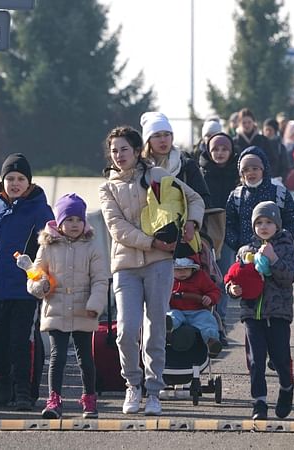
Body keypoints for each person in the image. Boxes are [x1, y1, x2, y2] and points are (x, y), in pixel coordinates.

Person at [99, 125, 205, 416]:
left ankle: (154, 389)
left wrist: (191, 225)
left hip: (160, 263)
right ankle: (133, 384)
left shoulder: (157, 176)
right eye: (114, 151)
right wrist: (152, 242)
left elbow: (195, 199)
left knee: (155, 327)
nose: (119, 155)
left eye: (124, 149)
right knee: (126, 330)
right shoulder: (107, 187)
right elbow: (117, 228)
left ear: (136, 150)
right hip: (126, 266)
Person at [0, 153, 54, 411]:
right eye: (10, 178)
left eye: (20, 179)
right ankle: (3, 378)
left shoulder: (41, 210)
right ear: (2, 181)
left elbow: (49, 250)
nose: (14, 183)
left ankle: (23, 391)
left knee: (21, 343)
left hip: (26, 289)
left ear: (29, 182)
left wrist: (39, 278)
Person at [29, 193, 110, 419]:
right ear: (59, 222)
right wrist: (40, 286)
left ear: (84, 222)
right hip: (56, 307)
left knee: (85, 356)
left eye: (78, 220)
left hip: (84, 308)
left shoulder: (92, 247)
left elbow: (100, 279)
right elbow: (35, 275)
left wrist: (95, 304)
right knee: (58, 356)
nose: (74, 225)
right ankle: (54, 398)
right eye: (69, 220)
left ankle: (89, 398)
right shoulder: (47, 247)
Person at [226, 201, 294, 420]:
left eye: (268, 222)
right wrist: (233, 289)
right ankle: (259, 402)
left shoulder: (285, 247)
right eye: (259, 222)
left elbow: (288, 277)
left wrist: (273, 258)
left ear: (277, 224)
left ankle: (287, 389)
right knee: (255, 360)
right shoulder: (245, 250)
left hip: (278, 313)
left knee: (280, 359)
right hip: (252, 314)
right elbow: (232, 276)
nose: (264, 227)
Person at [198, 131, 240, 343]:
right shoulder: (200, 171)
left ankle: (220, 324)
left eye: (224, 149)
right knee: (205, 278)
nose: (220, 153)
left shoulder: (238, 172)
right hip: (205, 232)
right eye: (215, 149)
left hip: (229, 232)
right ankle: (205, 323)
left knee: (224, 277)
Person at [225, 146, 294, 254]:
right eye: (246, 170)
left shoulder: (280, 193)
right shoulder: (236, 196)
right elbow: (228, 225)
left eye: (255, 168)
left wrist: (280, 242)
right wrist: (239, 245)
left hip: (277, 255)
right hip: (246, 255)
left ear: (263, 169)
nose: (250, 173)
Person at [140, 111, 212, 206]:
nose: (163, 140)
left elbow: (204, 200)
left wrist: (191, 219)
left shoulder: (186, 166)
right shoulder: (140, 168)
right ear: (148, 140)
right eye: (157, 136)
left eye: (166, 134)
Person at [167, 257, 222, 357]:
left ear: (193, 269)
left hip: (198, 311)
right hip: (176, 309)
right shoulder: (168, 279)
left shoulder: (200, 277)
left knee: (207, 319)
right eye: (178, 269)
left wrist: (210, 297)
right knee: (172, 315)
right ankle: (167, 327)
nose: (182, 272)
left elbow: (215, 291)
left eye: (186, 269)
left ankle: (211, 342)